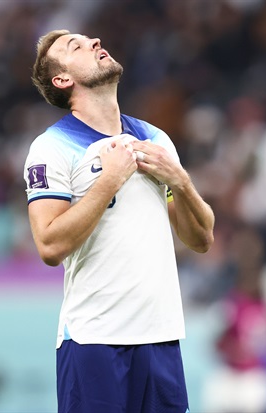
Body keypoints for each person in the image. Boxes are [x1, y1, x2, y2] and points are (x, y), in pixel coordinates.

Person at [23, 29, 215, 413]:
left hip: (162, 339)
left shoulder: (155, 138)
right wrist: (108, 180)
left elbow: (201, 238)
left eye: (90, 39)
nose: (94, 41)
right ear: (63, 80)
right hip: (94, 341)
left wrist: (180, 180)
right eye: (75, 46)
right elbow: (49, 245)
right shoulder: (51, 147)